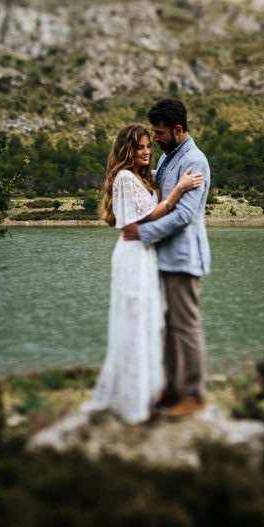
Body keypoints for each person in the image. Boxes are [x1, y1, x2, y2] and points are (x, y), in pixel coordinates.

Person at [82, 124, 204, 423]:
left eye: (149, 146)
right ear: (128, 150)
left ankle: (143, 395)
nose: (147, 151)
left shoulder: (141, 176)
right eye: (140, 147)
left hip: (145, 256)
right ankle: (133, 404)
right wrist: (178, 190)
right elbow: (145, 217)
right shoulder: (124, 177)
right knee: (135, 328)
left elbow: (148, 218)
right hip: (133, 257)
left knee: (147, 327)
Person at [122, 99, 211, 419]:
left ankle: (193, 394)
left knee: (185, 326)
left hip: (184, 258)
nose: (155, 138)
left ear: (177, 130)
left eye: (159, 133)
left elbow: (184, 215)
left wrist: (142, 233)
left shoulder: (195, 162)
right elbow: (159, 181)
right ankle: (172, 389)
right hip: (164, 258)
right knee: (167, 327)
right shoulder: (171, 157)